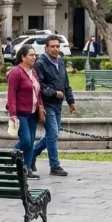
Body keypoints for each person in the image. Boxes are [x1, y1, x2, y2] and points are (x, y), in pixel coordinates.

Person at [32, 34, 77, 176]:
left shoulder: (60, 61)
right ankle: (55, 166)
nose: (55, 49)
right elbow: (39, 85)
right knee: (52, 135)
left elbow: (65, 83)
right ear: (46, 48)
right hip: (47, 105)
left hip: (58, 104)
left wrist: (71, 101)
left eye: (57, 46)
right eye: (52, 46)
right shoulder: (40, 63)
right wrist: (52, 93)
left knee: (52, 134)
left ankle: (32, 154)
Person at [6, 45, 45, 178]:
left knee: (31, 141)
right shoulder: (16, 72)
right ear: (23, 57)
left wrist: (41, 107)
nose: (34, 57)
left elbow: (38, 93)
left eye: (35, 55)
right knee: (26, 141)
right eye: (31, 55)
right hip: (21, 113)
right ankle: (10, 158)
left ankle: (27, 168)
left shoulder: (33, 72)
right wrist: (13, 114)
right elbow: (11, 94)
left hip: (33, 113)